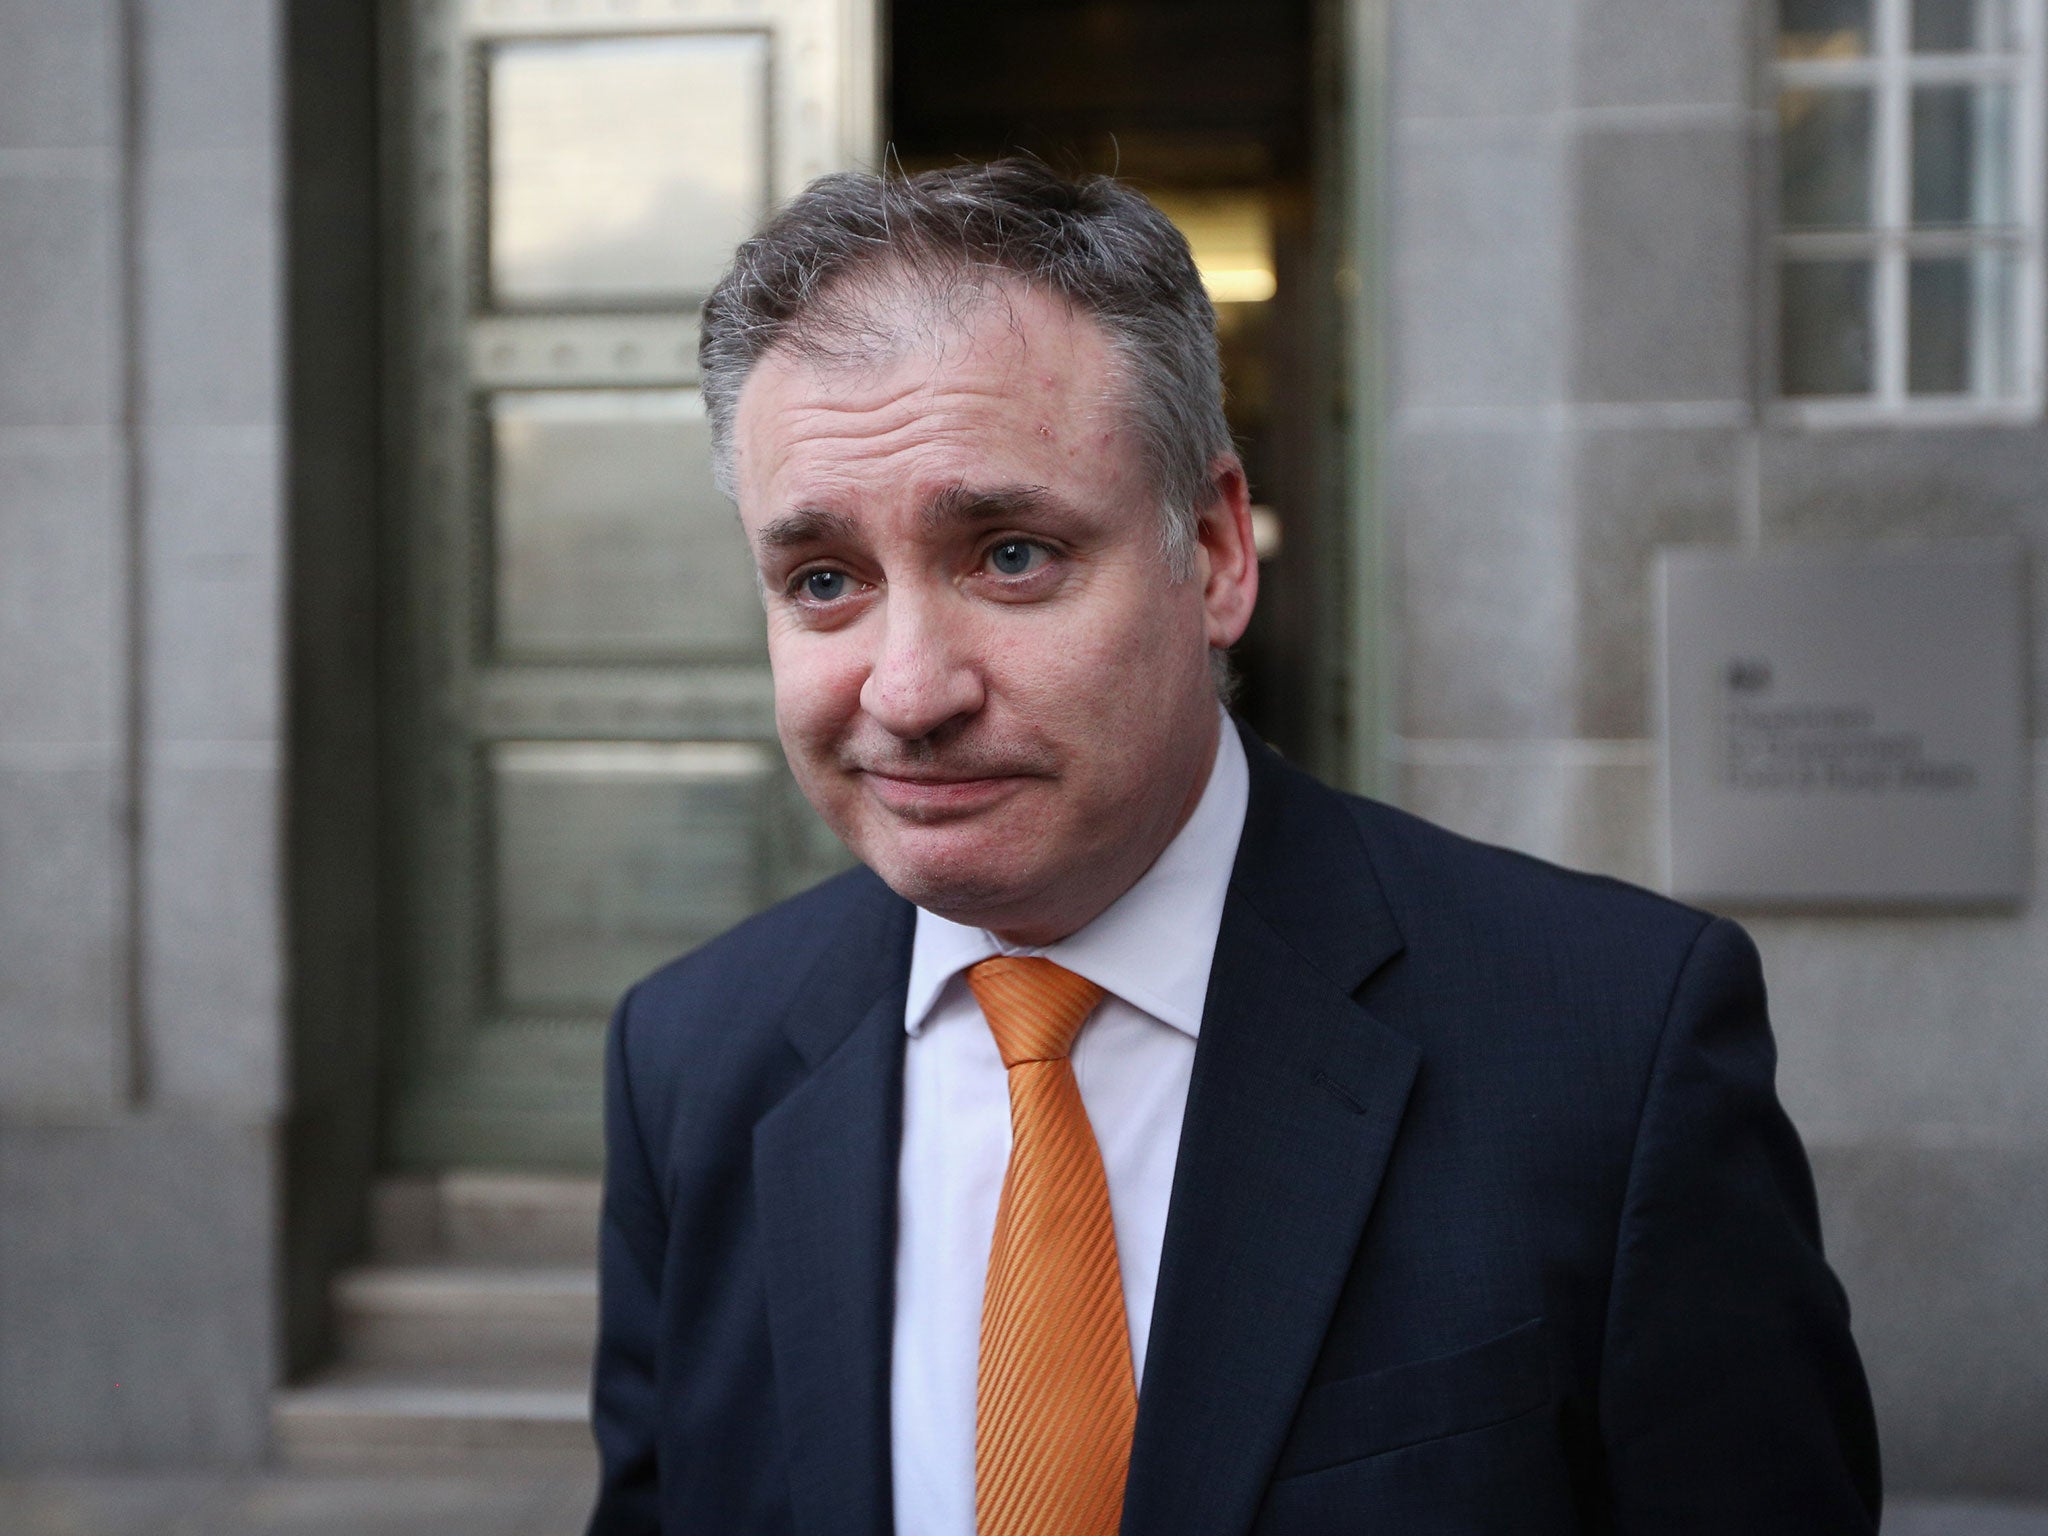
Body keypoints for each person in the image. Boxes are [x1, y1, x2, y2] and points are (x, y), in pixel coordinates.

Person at [585, 159, 1880, 1536]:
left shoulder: (1616, 1047)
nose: (909, 692)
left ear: (1211, 552)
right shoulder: (692, 1062)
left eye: (1012, 554)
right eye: (824, 583)